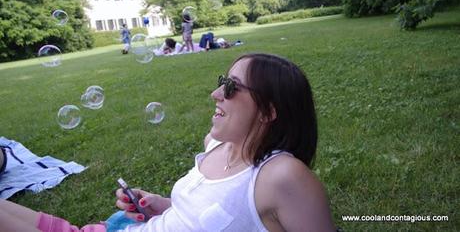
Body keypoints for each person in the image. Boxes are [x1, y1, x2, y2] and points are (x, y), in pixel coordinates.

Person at [0, 53, 336, 232]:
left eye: (232, 87)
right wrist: (160, 204)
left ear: (268, 111)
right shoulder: (215, 146)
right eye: (222, 82)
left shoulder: (281, 176)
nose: (216, 94)